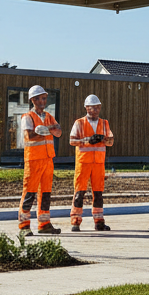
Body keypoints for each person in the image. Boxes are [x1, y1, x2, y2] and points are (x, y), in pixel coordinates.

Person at [19, 84, 62, 235]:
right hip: (34, 159)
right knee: (29, 193)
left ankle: (44, 224)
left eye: (43, 98)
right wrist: (45, 131)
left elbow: (58, 131)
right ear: (32, 100)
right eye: (38, 99)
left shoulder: (49, 116)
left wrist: (47, 129)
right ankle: (24, 226)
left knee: (45, 193)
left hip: (48, 159)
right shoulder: (27, 117)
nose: (42, 101)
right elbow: (29, 136)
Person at [69, 93, 114, 232]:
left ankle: (99, 221)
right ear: (86, 108)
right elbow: (72, 141)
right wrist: (87, 140)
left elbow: (111, 141)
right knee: (79, 192)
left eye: (97, 108)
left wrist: (104, 139)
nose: (95, 110)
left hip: (98, 164)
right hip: (83, 163)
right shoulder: (79, 123)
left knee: (98, 193)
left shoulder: (104, 123)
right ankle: (75, 221)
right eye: (92, 108)